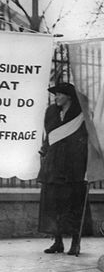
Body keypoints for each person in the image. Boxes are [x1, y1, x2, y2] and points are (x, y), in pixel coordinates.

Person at [38, 82, 92, 256]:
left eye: (60, 94)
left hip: (74, 166)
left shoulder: (81, 114)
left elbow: (88, 138)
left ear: (69, 96)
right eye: (55, 95)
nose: (56, 98)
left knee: (74, 204)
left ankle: (75, 243)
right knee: (53, 205)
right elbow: (49, 135)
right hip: (53, 165)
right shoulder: (51, 112)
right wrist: (45, 151)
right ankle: (58, 242)